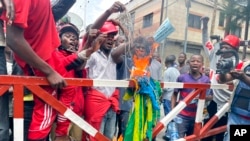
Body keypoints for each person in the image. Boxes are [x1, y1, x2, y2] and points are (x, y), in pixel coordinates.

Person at [1, 0, 69, 140]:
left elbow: (51, 13)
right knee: (45, 112)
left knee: (59, 102)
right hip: (41, 63)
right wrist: (49, 71)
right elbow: (13, 39)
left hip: (48, 58)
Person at [201, 17, 241, 140]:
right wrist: (205, 26)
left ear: (234, 50)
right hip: (213, 102)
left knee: (221, 135)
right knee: (205, 133)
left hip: (228, 106)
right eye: (222, 46)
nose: (223, 49)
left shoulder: (239, 65)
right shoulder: (215, 56)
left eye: (227, 47)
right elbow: (206, 42)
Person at [171, 54, 210, 138]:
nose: (195, 63)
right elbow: (174, 94)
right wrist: (173, 110)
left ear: (202, 64)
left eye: (198, 61)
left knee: (193, 138)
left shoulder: (206, 80)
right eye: (193, 61)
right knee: (178, 138)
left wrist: (203, 98)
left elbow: (211, 96)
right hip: (182, 115)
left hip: (197, 117)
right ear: (189, 63)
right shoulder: (182, 78)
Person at [218, 59, 250, 141]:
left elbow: (243, 77)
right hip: (237, 115)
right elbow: (222, 80)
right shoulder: (244, 64)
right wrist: (222, 71)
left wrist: (243, 77)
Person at [162, 55, 180, 140]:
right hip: (175, 97)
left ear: (166, 63)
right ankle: (171, 133)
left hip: (168, 97)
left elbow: (165, 87)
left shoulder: (167, 72)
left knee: (168, 116)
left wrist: (160, 95)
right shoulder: (177, 71)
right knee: (173, 115)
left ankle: (169, 134)